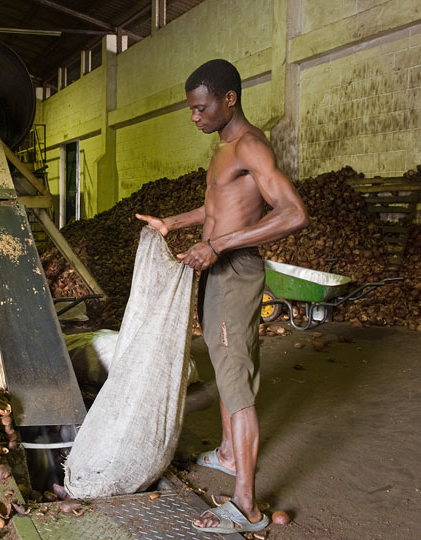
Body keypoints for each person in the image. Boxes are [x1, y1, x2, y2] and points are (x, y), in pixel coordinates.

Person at [136, 59, 309, 534]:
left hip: (234, 270)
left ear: (229, 99)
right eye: (191, 109)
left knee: (235, 381)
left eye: (200, 107)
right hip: (217, 267)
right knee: (222, 359)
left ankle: (247, 507)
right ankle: (231, 455)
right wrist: (176, 224)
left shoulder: (250, 146)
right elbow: (218, 208)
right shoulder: (222, 147)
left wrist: (216, 246)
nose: (194, 116)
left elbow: (293, 214)